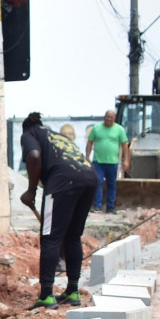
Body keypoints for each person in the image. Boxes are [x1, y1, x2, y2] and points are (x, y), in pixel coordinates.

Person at [19, 110, 99, 308]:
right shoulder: (56, 135)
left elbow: (34, 155)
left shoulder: (29, 134)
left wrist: (31, 190)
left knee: (50, 237)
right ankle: (72, 291)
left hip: (63, 180)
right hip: (90, 178)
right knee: (72, 236)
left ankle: (46, 295)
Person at [85, 109, 130, 212]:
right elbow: (90, 142)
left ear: (114, 118)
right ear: (104, 117)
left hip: (113, 162)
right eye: (107, 117)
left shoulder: (119, 130)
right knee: (98, 182)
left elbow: (125, 145)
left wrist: (126, 160)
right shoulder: (96, 129)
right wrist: (87, 157)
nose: (108, 119)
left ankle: (110, 207)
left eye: (111, 117)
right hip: (98, 162)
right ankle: (97, 206)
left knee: (111, 184)